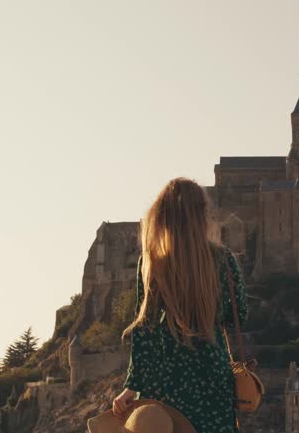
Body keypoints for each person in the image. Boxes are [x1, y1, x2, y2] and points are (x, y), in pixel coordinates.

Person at [111, 177, 248, 433]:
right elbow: (237, 314)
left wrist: (132, 385)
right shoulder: (223, 259)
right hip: (213, 378)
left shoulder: (151, 263)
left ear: (162, 216)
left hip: (165, 381)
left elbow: (144, 329)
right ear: (201, 215)